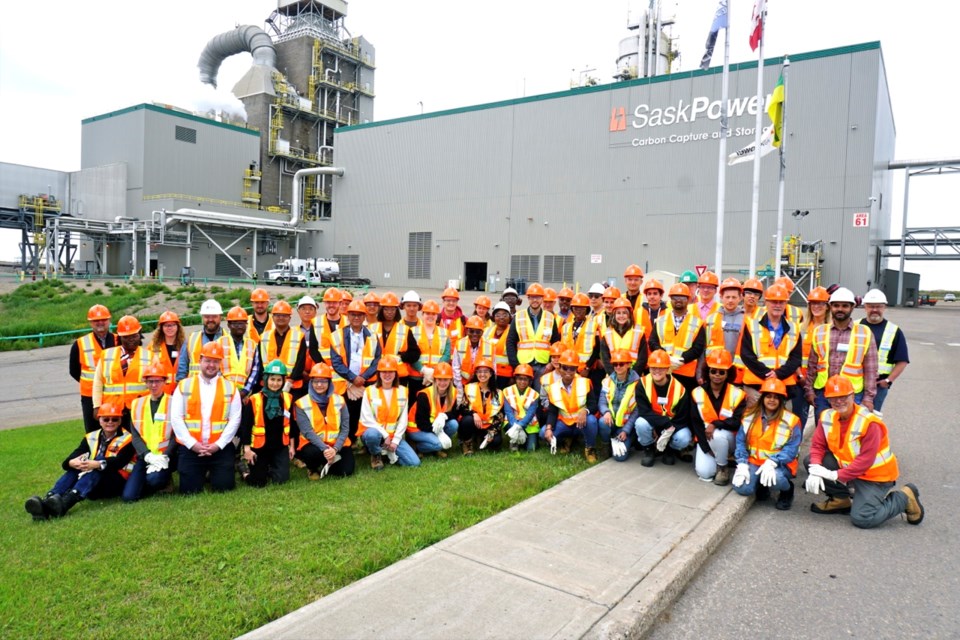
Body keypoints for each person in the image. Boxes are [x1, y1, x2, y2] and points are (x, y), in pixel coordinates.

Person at [803, 375, 924, 527]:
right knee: (811, 462)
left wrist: (835, 475)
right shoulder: (827, 416)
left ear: (852, 395)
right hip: (851, 471)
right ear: (828, 399)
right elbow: (817, 446)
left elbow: (865, 460)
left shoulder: (869, 422)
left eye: (843, 396)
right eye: (834, 398)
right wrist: (816, 469)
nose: (839, 401)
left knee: (863, 518)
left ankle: (904, 497)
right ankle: (840, 500)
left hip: (875, 477)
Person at [25, 401, 135, 520]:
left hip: (117, 482)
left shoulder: (128, 439)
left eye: (114, 419)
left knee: (98, 464)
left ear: (120, 421)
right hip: (93, 482)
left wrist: (97, 464)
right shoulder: (91, 436)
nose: (110, 422)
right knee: (76, 467)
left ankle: (66, 503)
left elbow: (119, 462)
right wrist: (71, 463)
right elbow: (74, 455)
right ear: (99, 420)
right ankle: (47, 501)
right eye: (106, 419)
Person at [170, 341, 242, 494]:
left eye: (215, 361)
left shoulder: (230, 388)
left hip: (219, 448)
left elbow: (235, 420)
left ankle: (212, 472)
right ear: (200, 360)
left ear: (220, 363)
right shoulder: (184, 386)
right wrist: (192, 444)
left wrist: (218, 445)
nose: (211, 365)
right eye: (208, 360)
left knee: (224, 487)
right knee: (189, 491)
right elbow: (176, 418)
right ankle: (203, 472)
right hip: (191, 448)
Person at [804, 287, 878, 420]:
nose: (840, 309)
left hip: (852, 395)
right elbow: (812, 365)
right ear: (830, 307)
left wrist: (869, 398)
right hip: (824, 394)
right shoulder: (819, 332)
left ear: (852, 307)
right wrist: (809, 390)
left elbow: (871, 370)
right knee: (824, 433)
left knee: (849, 435)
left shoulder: (864, 333)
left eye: (845, 306)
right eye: (836, 305)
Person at [731, 377, 801, 510]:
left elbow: (792, 449)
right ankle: (761, 484)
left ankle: (787, 490)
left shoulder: (792, 421)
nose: (772, 400)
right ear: (762, 398)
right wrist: (741, 463)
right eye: (768, 396)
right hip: (754, 461)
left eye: (776, 397)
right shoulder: (748, 416)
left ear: (781, 400)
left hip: (780, 464)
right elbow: (740, 441)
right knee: (742, 488)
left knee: (776, 480)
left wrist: (773, 462)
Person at [739, 284, 803, 408]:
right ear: (766, 303)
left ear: (786, 304)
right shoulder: (752, 325)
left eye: (781, 302)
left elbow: (795, 358)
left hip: (784, 388)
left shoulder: (794, 328)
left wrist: (778, 374)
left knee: (784, 425)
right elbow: (746, 355)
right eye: (774, 302)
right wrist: (767, 373)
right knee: (753, 424)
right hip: (756, 386)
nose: (777, 305)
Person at [690, 350, 746, 485]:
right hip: (706, 439)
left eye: (722, 372)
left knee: (719, 435)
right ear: (707, 372)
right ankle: (718, 458)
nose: (717, 375)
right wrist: (705, 448)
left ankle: (723, 467)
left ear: (728, 373)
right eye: (713, 371)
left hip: (729, 438)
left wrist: (715, 424)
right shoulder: (696, 393)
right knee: (705, 473)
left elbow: (736, 422)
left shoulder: (738, 394)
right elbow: (695, 423)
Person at [329, 299, 382, 441]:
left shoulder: (372, 336)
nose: (356, 317)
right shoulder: (336, 336)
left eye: (360, 315)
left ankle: (366, 443)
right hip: (345, 383)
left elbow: (377, 361)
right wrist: (353, 378)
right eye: (353, 314)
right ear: (347, 316)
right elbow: (336, 362)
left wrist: (362, 378)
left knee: (366, 413)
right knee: (347, 414)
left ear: (365, 316)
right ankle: (349, 441)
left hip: (367, 383)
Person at [122, 362, 174, 502]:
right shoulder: (137, 404)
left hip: (165, 457)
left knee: (154, 480)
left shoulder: (173, 402)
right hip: (146, 456)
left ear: (164, 382)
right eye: (150, 381)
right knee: (128, 497)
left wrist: (166, 455)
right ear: (145, 382)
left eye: (157, 381)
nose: (154, 385)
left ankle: (163, 479)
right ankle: (148, 481)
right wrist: (147, 455)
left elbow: (176, 435)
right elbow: (136, 436)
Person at [239, 359, 294, 487]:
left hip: (279, 446)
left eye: (279, 380)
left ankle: (269, 468)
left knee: (281, 480)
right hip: (259, 447)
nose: (275, 383)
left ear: (283, 381)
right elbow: (246, 427)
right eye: (272, 379)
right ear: (266, 379)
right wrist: (246, 449)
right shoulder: (254, 399)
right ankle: (244, 471)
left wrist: (291, 446)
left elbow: (292, 425)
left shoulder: (287, 398)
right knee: (258, 483)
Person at [294, 363, 355, 478]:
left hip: (337, 444)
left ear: (329, 383)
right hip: (314, 446)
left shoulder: (340, 400)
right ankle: (313, 468)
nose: (319, 385)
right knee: (311, 454)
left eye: (323, 381)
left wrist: (335, 449)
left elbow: (345, 428)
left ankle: (328, 463)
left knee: (346, 471)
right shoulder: (301, 403)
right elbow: (307, 432)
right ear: (311, 382)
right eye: (316, 381)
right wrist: (326, 449)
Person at [358, 355, 418, 469]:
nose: (387, 375)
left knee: (414, 463)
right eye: (384, 371)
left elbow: (403, 420)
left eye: (390, 371)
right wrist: (385, 435)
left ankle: (389, 452)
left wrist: (395, 441)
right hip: (374, 434)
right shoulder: (369, 391)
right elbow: (366, 418)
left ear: (395, 373)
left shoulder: (403, 391)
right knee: (372, 435)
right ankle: (376, 454)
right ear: (379, 373)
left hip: (393, 436)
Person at [635, 349, 691, 466]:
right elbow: (644, 412)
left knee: (684, 437)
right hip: (658, 423)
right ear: (649, 368)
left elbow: (683, 417)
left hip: (673, 425)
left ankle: (669, 449)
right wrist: (664, 425)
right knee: (640, 423)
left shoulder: (680, 389)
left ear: (667, 369)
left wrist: (668, 432)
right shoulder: (642, 384)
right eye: (653, 367)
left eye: (661, 368)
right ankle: (649, 449)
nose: (657, 371)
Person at [856, 289, 909, 413]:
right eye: (871, 306)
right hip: (854, 383)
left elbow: (902, 360)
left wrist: (888, 380)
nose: (875, 309)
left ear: (884, 307)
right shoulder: (854, 326)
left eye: (879, 306)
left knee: (871, 419)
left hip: (878, 386)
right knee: (851, 419)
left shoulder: (894, 330)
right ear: (865, 307)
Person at [93, 315, 151, 428]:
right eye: (126, 337)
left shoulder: (150, 356)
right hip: (112, 411)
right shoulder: (107, 355)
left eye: (134, 336)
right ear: (119, 337)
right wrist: (96, 406)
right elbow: (98, 382)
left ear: (140, 335)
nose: (131, 339)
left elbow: (156, 383)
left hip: (140, 410)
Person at [543, 349, 599, 463]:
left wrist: (585, 411)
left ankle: (590, 448)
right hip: (565, 424)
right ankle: (567, 439)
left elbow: (594, 405)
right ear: (559, 367)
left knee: (592, 421)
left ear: (576, 369)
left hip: (581, 423)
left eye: (572, 368)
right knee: (543, 432)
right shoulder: (553, 388)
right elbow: (552, 412)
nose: (568, 371)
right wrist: (549, 428)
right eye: (565, 368)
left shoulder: (585, 383)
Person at [648, 283, 706, 392]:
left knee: (684, 407)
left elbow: (698, 348)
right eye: (675, 297)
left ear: (688, 299)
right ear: (670, 300)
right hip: (664, 372)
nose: (678, 300)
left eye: (682, 297)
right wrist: (666, 357)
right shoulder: (660, 320)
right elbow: (652, 342)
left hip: (687, 375)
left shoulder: (697, 323)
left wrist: (682, 359)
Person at [70, 304, 117, 433]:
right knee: (93, 432)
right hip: (89, 396)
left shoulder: (119, 340)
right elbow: (74, 370)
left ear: (109, 320)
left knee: (116, 431)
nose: (100, 323)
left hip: (113, 395)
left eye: (103, 319)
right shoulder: (80, 344)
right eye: (96, 320)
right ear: (90, 322)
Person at [506, 282, 559, 390]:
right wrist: (516, 365)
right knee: (524, 397)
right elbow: (510, 342)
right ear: (528, 298)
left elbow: (556, 343)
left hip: (544, 366)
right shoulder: (518, 317)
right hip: (524, 366)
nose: (535, 300)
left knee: (541, 397)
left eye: (538, 297)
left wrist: (551, 364)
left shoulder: (550, 318)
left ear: (542, 299)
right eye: (532, 297)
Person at [406, 362, 460, 458]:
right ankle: (417, 446)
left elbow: (455, 413)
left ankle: (432, 446)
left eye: (445, 379)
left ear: (450, 380)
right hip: (416, 429)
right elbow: (422, 423)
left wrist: (444, 416)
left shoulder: (453, 391)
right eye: (439, 379)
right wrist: (439, 433)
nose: (442, 383)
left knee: (453, 424)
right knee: (438, 444)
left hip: (434, 425)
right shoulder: (424, 395)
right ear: (434, 380)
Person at [795, 286, 831, 427]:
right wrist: (800, 377)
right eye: (813, 303)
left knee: (822, 419)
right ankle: (795, 447)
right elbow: (793, 355)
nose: (816, 307)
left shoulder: (832, 329)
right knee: (798, 417)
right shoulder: (800, 328)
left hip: (822, 383)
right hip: (801, 380)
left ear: (827, 306)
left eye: (820, 303)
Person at [369, 291, 420, 390]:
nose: (389, 312)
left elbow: (415, 353)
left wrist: (402, 357)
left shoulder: (405, 330)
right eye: (386, 309)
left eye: (392, 309)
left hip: (399, 377)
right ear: (381, 310)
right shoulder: (371, 329)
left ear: (396, 310)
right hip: (376, 375)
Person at [701, 278, 745, 385]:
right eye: (727, 297)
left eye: (734, 297)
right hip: (714, 372)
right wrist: (700, 373)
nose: (730, 300)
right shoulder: (710, 319)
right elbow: (702, 348)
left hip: (737, 373)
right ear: (721, 297)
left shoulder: (746, 320)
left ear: (740, 298)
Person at [258, 300, 308, 396]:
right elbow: (260, 362)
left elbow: (300, 363)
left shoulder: (299, 336)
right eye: (277, 315)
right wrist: (267, 380)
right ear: (272, 317)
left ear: (289, 318)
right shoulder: (264, 337)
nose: (281, 318)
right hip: (269, 384)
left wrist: (290, 381)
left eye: (284, 315)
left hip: (292, 386)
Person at [599, 349, 641, 462]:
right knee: (602, 421)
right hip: (611, 421)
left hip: (626, 426)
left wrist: (626, 430)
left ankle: (631, 439)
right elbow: (602, 400)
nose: (618, 367)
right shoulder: (607, 381)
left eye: (621, 364)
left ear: (628, 364)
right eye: (615, 364)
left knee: (619, 457)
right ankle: (606, 445)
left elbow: (637, 411)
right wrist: (606, 412)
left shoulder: (638, 384)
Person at [459, 358, 505, 454]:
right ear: (476, 373)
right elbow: (462, 408)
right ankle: (467, 443)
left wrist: (492, 432)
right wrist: (473, 414)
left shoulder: (498, 393)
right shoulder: (469, 387)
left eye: (485, 371)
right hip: (473, 424)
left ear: (491, 374)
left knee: (496, 442)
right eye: (479, 371)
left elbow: (500, 416)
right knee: (467, 420)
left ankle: (481, 438)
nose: (482, 374)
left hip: (489, 426)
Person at [177, 299, 228, 381]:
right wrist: (180, 385)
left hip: (220, 388)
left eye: (214, 316)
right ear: (202, 317)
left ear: (220, 317)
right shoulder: (191, 339)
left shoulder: (228, 338)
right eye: (207, 316)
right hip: (195, 388)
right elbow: (182, 367)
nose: (210, 319)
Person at [600, 297, 648, 375]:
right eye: (618, 313)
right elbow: (605, 359)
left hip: (634, 376)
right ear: (614, 315)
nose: (621, 316)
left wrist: (632, 376)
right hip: (613, 377)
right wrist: (614, 376)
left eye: (624, 313)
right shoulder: (607, 334)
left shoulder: (639, 332)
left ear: (629, 315)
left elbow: (642, 358)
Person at [223, 306, 261, 400]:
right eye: (235, 323)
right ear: (228, 325)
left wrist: (244, 392)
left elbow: (255, 371)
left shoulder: (253, 345)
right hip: (223, 393)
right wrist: (226, 390)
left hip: (245, 396)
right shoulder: (219, 343)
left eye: (242, 323)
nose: (239, 326)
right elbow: (216, 370)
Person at [560, 292, 599, 379]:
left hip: (586, 370)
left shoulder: (593, 326)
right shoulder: (565, 327)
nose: (578, 311)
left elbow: (597, 349)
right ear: (572, 309)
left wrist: (587, 368)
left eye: (582, 308)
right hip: (569, 369)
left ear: (587, 310)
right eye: (576, 308)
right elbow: (563, 349)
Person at [503, 364, 540, 452]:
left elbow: (530, 414)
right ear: (515, 379)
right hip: (512, 423)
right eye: (520, 379)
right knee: (514, 432)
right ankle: (514, 441)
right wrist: (516, 426)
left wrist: (520, 426)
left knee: (531, 449)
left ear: (530, 381)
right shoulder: (507, 391)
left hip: (529, 425)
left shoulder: (534, 394)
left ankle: (524, 439)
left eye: (525, 379)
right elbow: (508, 412)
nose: (522, 382)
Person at [146, 310, 184, 395]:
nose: (169, 328)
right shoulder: (152, 347)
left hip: (181, 391)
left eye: (173, 325)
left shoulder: (185, 346)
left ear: (178, 327)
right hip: (161, 392)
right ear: (161, 328)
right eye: (166, 325)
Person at [483, 302, 514, 388]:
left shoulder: (514, 332)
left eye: (504, 315)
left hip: (506, 375)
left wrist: (514, 375)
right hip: (488, 373)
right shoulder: (486, 331)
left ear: (510, 317)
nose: (501, 317)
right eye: (498, 315)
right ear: (493, 317)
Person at [453, 315, 486, 393]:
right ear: (467, 331)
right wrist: (459, 389)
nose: (474, 334)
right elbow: (455, 368)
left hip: (482, 386)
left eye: (478, 332)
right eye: (471, 331)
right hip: (462, 384)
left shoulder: (490, 346)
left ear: (482, 332)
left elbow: (492, 370)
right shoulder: (459, 344)